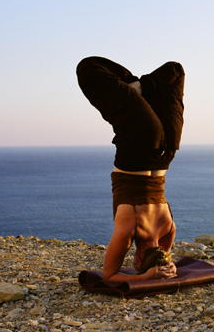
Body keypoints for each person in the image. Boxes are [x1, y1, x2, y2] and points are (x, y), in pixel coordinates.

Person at [76, 57, 185, 282]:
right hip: (139, 144)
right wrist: (146, 277)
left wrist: (164, 268)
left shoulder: (168, 230)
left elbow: (165, 257)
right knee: (87, 68)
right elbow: (109, 275)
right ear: (136, 261)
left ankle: (143, 90)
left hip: (167, 152)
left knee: (175, 72)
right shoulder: (128, 231)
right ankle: (140, 90)